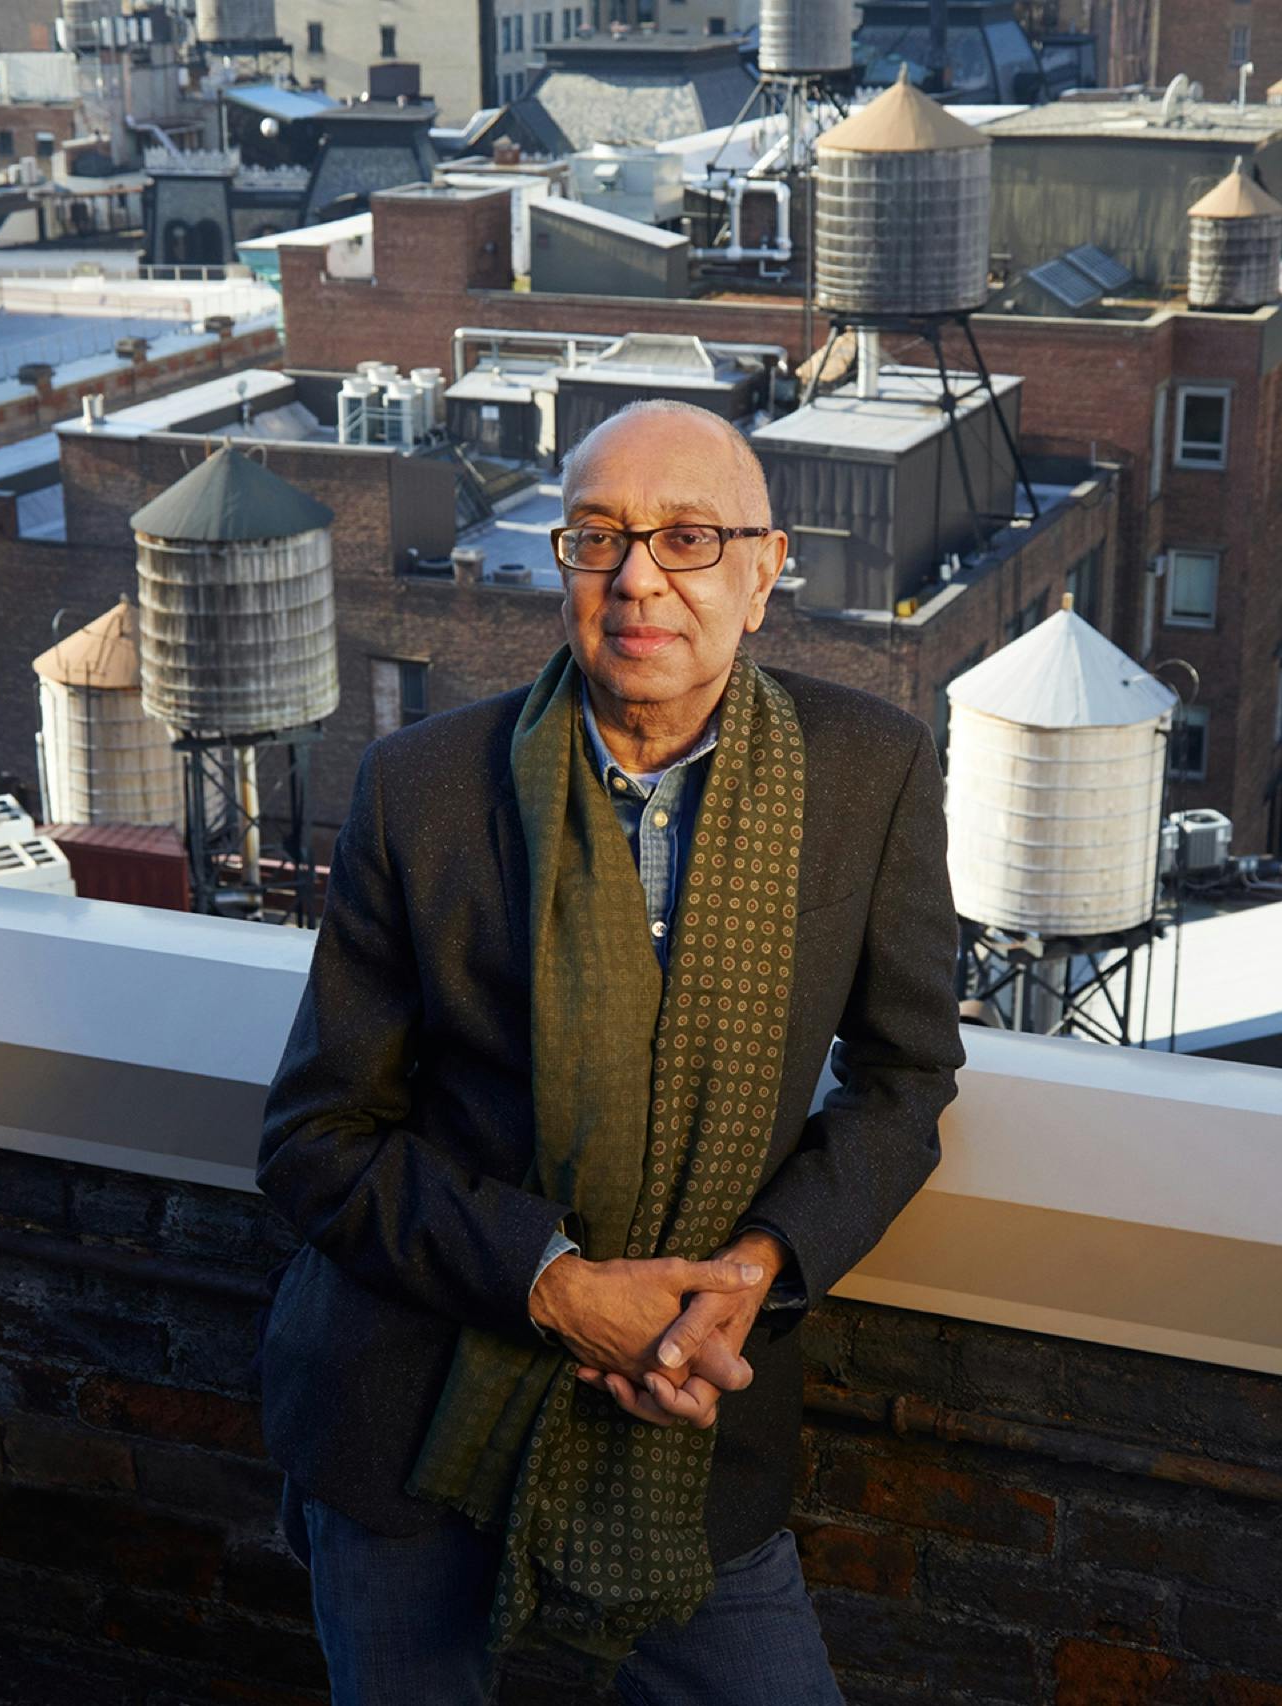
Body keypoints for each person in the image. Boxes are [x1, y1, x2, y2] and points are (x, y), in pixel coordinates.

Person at [253, 398, 964, 1703]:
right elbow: (314, 1142)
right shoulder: (424, 789)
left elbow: (906, 1083)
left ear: (765, 570)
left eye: (688, 538)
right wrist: (560, 1285)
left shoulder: (869, 775)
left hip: (695, 1419)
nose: (638, 576)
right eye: (598, 537)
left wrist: (750, 1275)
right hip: (410, 1425)